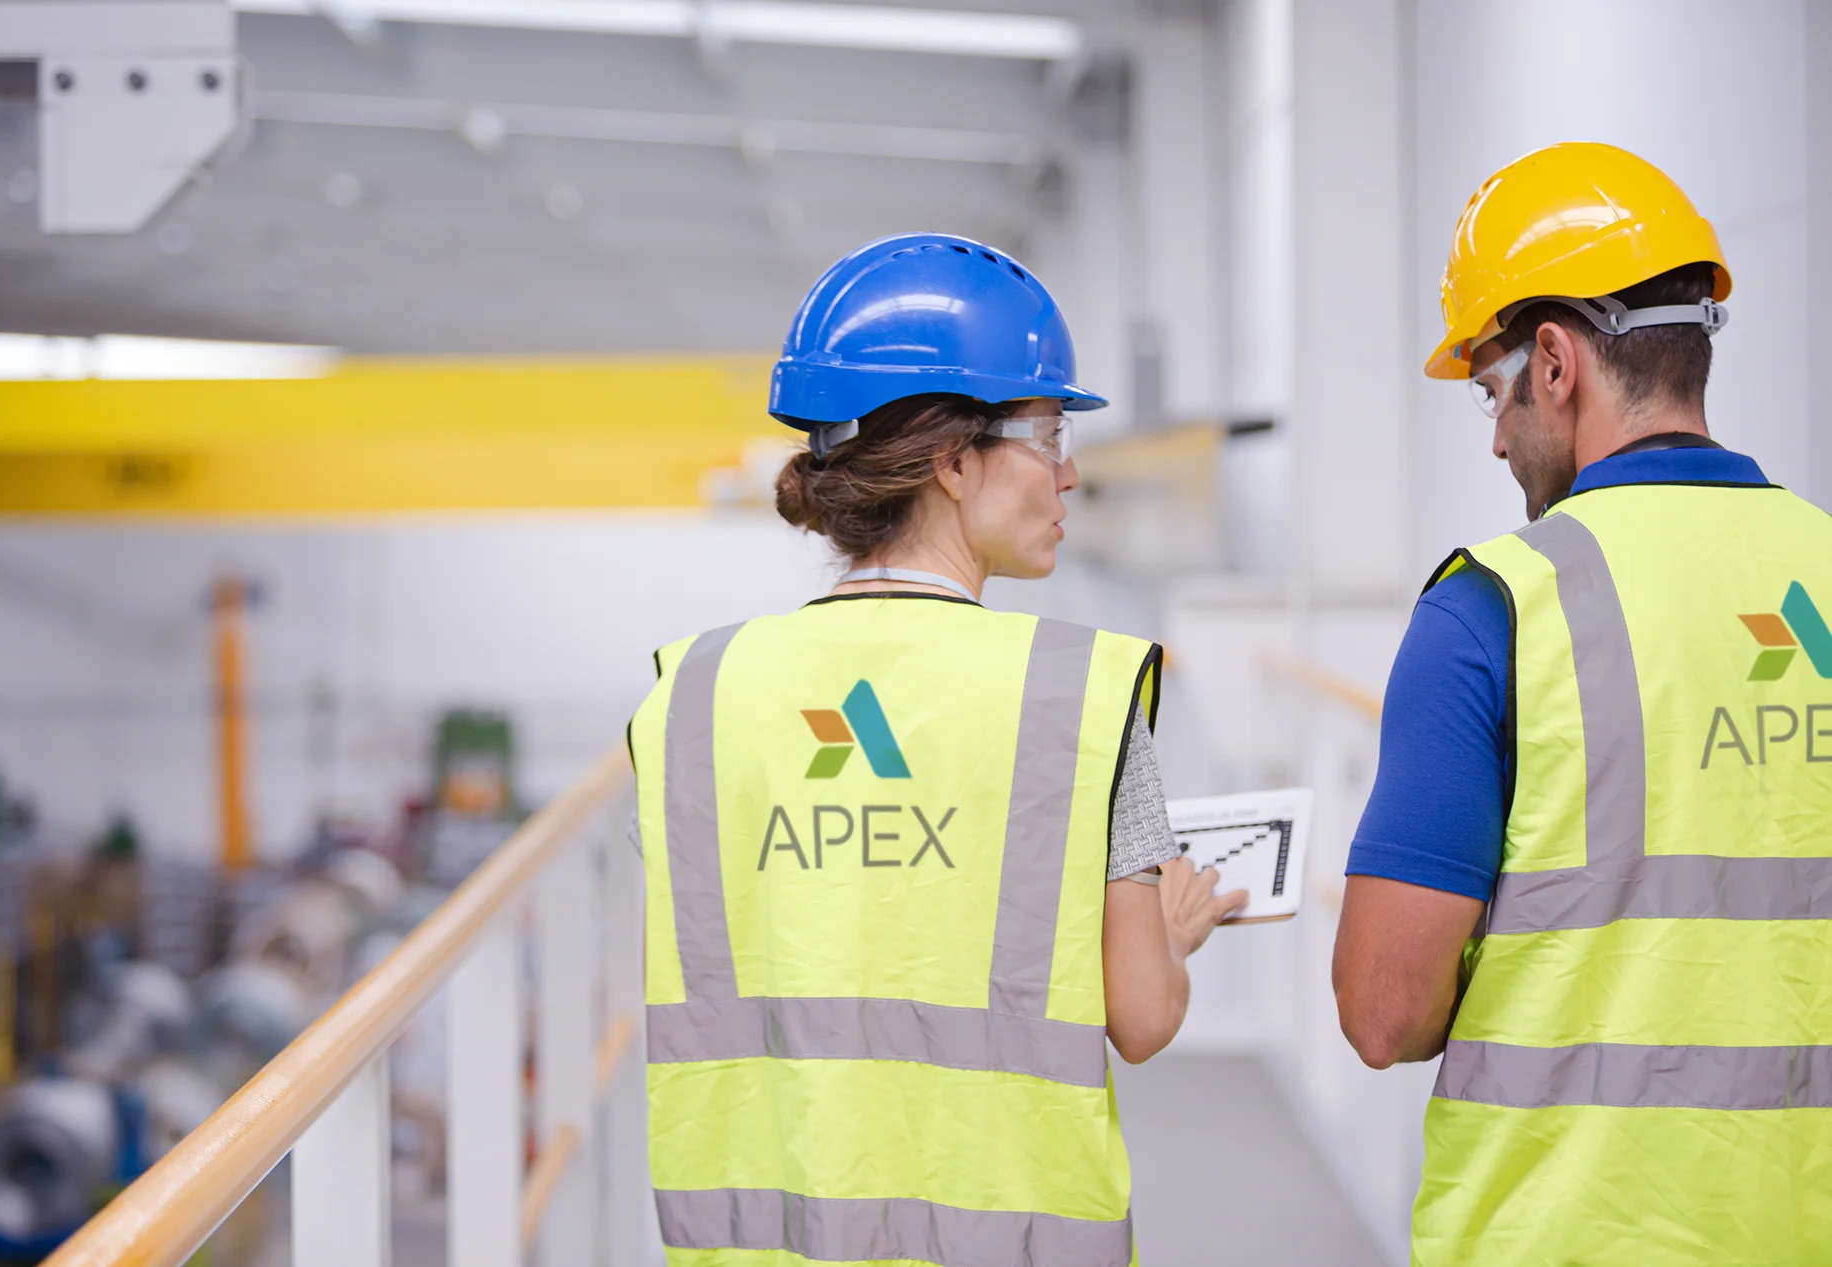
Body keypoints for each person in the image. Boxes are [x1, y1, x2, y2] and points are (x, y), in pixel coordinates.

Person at [628, 232, 1247, 1267]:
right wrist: (1170, 935)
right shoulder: (1077, 691)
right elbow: (1139, 1015)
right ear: (954, 459)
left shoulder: (696, 691)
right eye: (1048, 434)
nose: (1070, 473)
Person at [1332, 141, 1832, 1264]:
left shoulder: (1495, 611)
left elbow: (1383, 1010)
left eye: (1489, 390)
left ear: (1554, 362)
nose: (1499, 433)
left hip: (1566, 1234)